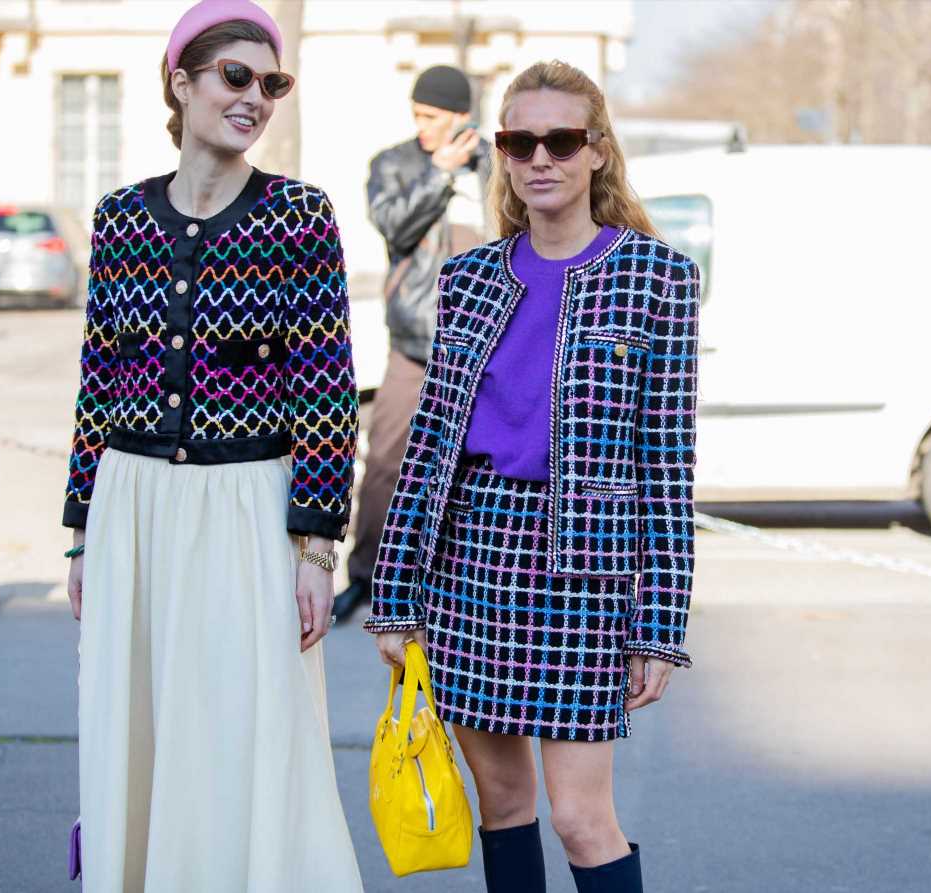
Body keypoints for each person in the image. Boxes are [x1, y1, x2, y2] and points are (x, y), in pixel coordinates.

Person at [365, 60, 700, 893]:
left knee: (583, 820)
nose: (539, 156)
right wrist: (393, 597)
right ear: (504, 154)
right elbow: (430, 450)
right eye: (520, 140)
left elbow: (667, 465)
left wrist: (660, 622)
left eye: (561, 139)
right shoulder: (469, 279)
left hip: (585, 574)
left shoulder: (658, 278)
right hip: (469, 567)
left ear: (597, 153)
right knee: (503, 806)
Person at [62, 2, 362, 889]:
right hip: (134, 503)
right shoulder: (120, 219)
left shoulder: (299, 217)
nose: (255, 98)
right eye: (236, 77)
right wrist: (82, 529)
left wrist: (315, 546)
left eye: (271, 84)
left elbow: (326, 386)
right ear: (181, 81)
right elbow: (97, 381)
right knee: (141, 722)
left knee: (251, 722)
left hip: (248, 506)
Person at [331, 64, 491, 623]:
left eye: (432, 117)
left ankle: (458, 585)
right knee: (385, 463)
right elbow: (393, 226)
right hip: (415, 342)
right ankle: (365, 578)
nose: (422, 127)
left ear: (461, 116)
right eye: (417, 116)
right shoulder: (396, 164)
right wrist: (439, 175)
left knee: (478, 469)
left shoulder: (497, 163)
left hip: (486, 346)